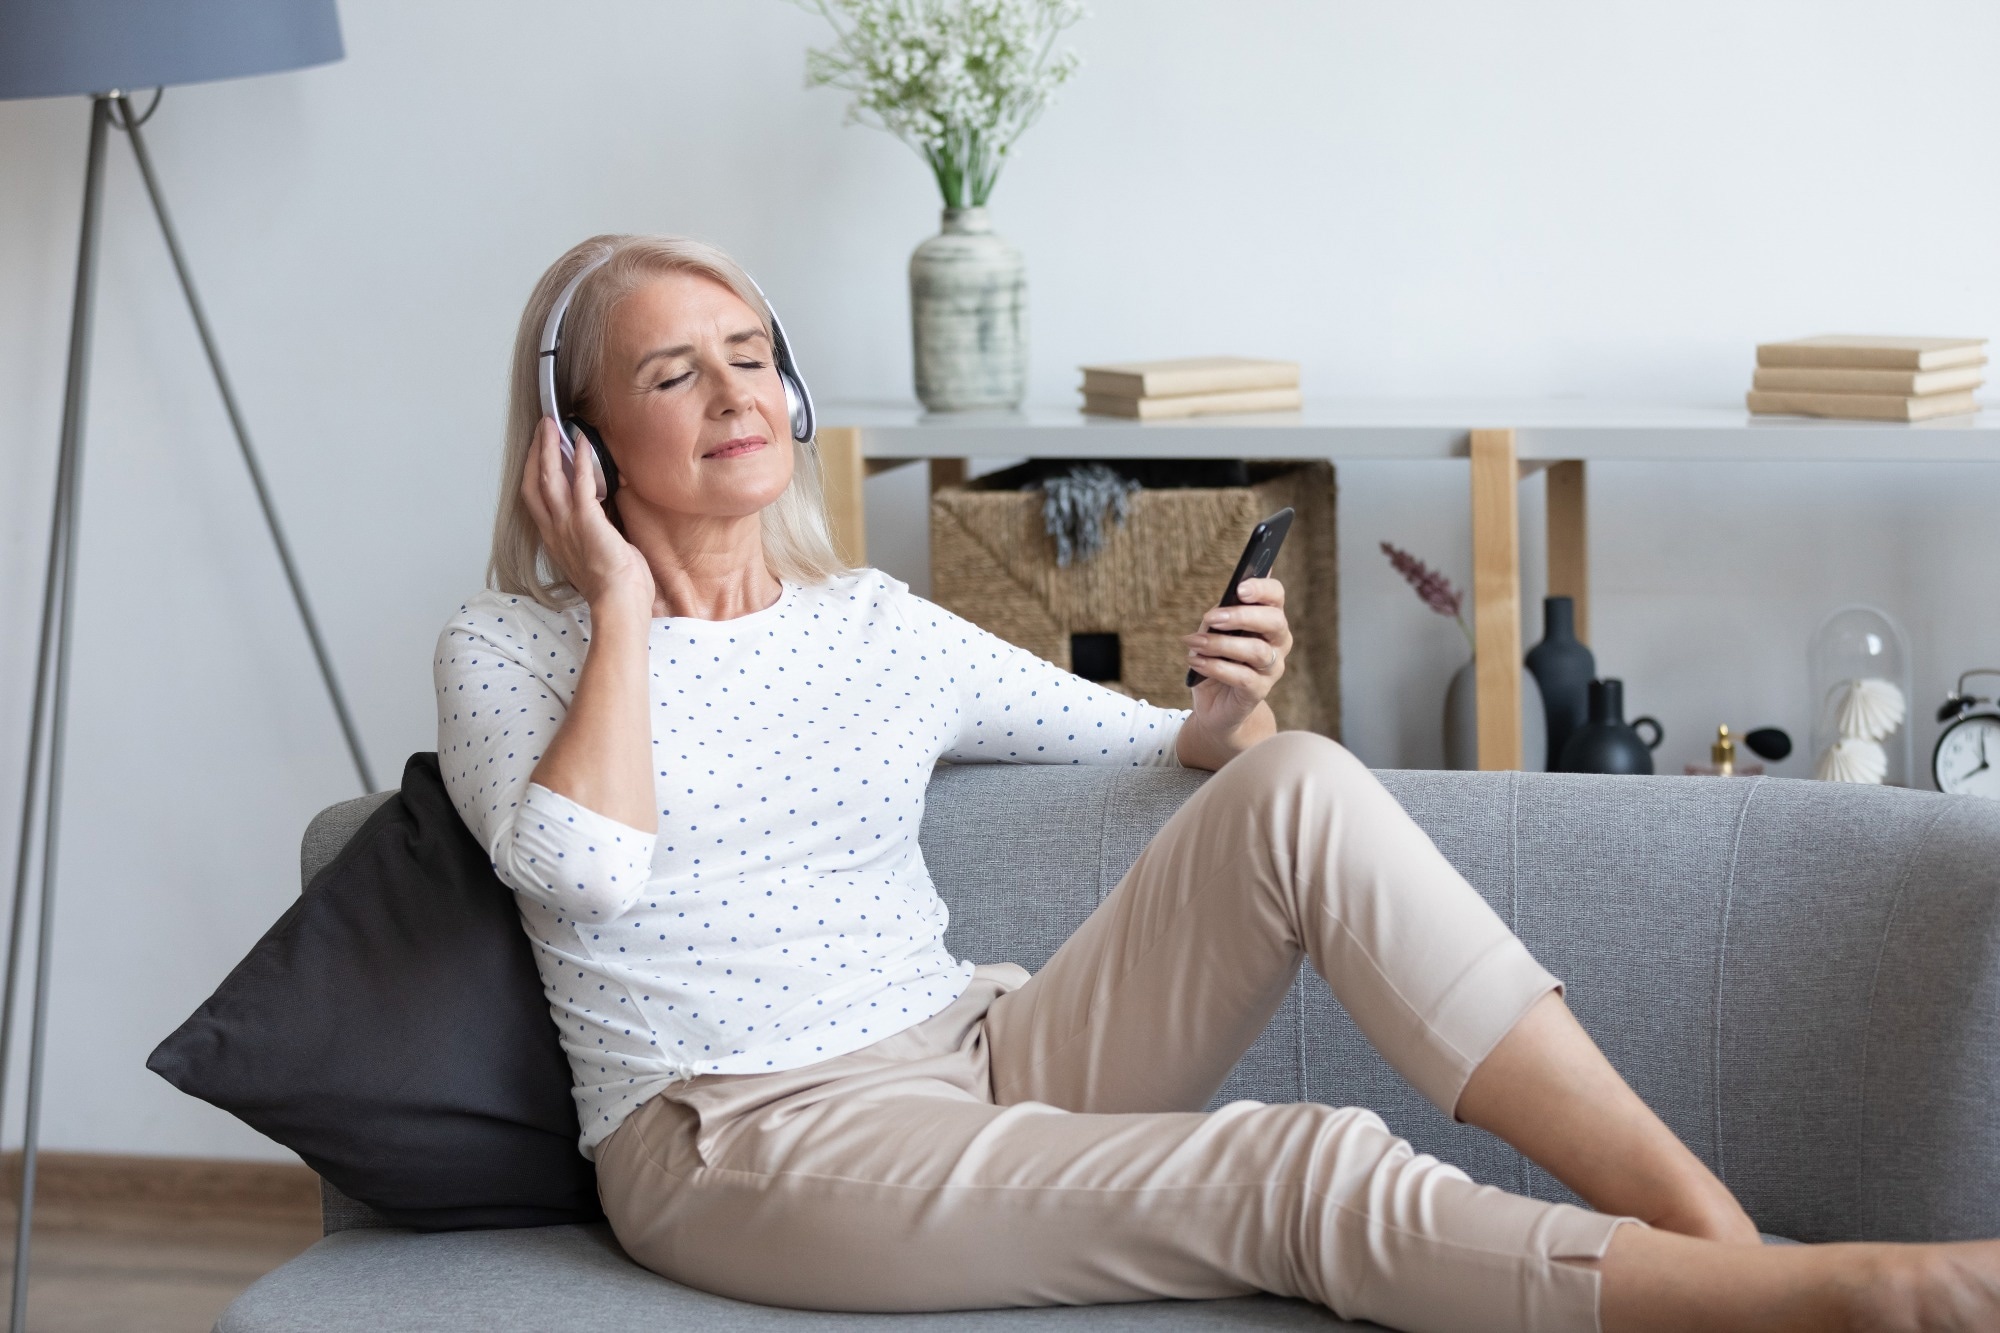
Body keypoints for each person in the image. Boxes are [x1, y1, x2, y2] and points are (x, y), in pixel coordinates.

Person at [435, 234, 2000, 1333]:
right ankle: (1835, 1301)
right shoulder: (511, 649)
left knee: (1298, 782)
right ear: (578, 444)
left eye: (754, 357)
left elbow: (1157, 745)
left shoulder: (871, 626)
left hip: (980, 1051)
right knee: (1291, 1161)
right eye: (673, 372)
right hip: (744, 1142)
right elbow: (583, 868)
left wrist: (1223, 707)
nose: (735, 394)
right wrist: (625, 608)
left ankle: (1711, 1236)